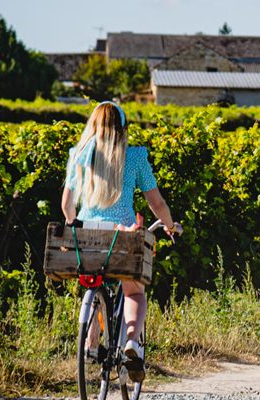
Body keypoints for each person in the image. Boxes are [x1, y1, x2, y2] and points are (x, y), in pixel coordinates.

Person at [62, 102, 181, 379]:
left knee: (93, 280)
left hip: (87, 237)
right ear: (124, 129)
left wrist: (74, 226)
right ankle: (130, 343)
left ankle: (91, 344)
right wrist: (170, 225)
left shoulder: (79, 155)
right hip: (121, 236)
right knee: (134, 291)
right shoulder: (136, 157)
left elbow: (67, 204)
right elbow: (157, 203)